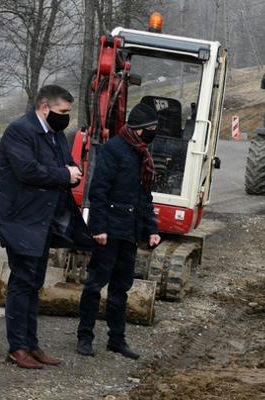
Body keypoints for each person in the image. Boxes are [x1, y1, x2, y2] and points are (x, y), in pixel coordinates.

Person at [0, 84, 92, 369]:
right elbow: (27, 171)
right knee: (22, 282)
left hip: (42, 220)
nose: (66, 117)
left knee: (34, 282)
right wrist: (64, 174)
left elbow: (68, 164)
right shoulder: (19, 131)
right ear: (45, 108)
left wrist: (72, 172)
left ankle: (31, 344)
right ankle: (17, 348)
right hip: (18, 220)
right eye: (63, 112)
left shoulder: (56, 135)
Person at [76, 102, 161, 360]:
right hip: (109, 232)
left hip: (130, 232)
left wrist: (151, 229)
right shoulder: (114, 150)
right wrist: (98, 228)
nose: (153, 133)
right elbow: (98, 191)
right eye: (151, 129)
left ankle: (116, 339)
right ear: (139, 129)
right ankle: (85, 337)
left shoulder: (141, 153)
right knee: (94, 286)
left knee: (120, 289)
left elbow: (144, 197)